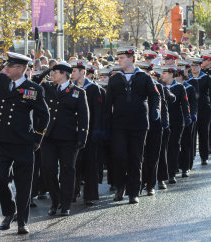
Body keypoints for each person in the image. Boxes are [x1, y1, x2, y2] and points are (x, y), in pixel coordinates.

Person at [0, 52, 50, 234]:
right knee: (0, 180)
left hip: (23, 142)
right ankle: (9, 211)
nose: (5, 68)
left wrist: (38, 138)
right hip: (1, 140)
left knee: (24, 183)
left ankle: (22, 221)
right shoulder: (0, 82)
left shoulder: (32, 89)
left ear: (20, 69)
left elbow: (44, 115)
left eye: (9, 66)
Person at [105, 47, 160, 204]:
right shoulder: (115, 79)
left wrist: (155, 109)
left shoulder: (144, 77)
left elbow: (155, 95)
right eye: (119, 58)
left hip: (139, 124)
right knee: (120, 156)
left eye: (122, 58)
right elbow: (108, 105)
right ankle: (120, 187)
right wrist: (105, 126)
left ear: (131, 59)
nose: (119, 61)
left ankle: (133, 192)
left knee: (136, 158)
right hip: (119, 125)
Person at [33, 62, 88, 216]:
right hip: (49, 137)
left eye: (55, 72)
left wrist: (82, 137)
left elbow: (84, 117)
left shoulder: (78, 92)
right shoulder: (48, 88)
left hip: (68, 138)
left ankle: (65, 205)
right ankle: (55, 200)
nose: (53, 75)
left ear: (64, 74)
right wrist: (47, 70)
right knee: (47, 170)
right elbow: (34, 82)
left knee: (67, 171)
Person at [70, 60, 103, 206]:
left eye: (74, 71)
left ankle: (89, 195)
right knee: (74, 163)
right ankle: (73, 191)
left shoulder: (93, 89)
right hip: (74, 132)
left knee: (90, 163)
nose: (72, 74)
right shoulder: (71, 88)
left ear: (82, 72)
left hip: (90, 132)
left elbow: (97, 112)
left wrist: (95, 131)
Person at [160, 65, 191, 184]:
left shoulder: (179, 87)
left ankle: (172, 173)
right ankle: (163, 174)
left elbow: (184, 103)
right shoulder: (159, 86)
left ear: (172, 74)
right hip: (163, 121)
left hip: (176, 121)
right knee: (163, 148)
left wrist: (187, 116)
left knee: (174, 146)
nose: (162, 75)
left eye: (165, 73)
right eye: (162, 73)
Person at [187, 58, 211, 165]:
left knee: (203, 133)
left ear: (200, 66)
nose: (194, 68)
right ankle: (190, 158)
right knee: (191, 134)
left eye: (196, 66)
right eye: (192, 66)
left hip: (204, 108)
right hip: (191, 110)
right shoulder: (187, 79)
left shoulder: (207, 78)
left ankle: (204, 157)